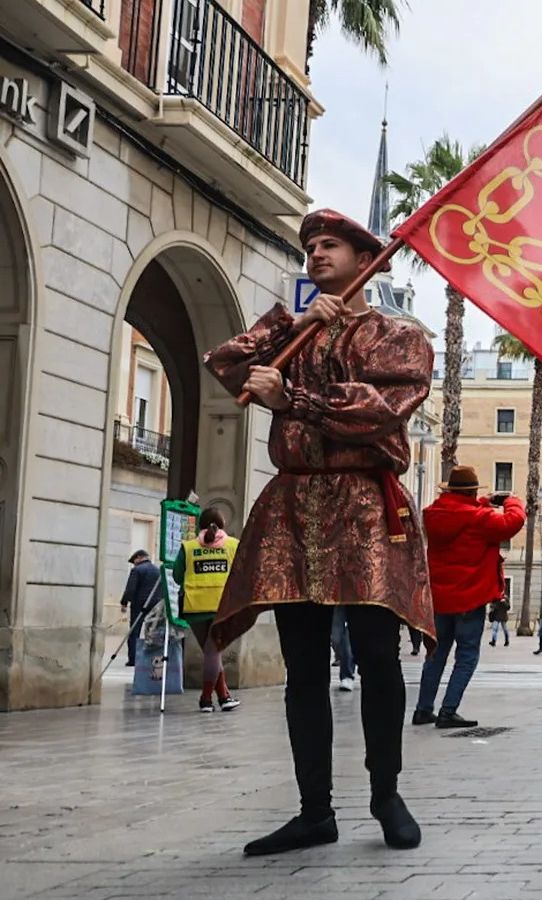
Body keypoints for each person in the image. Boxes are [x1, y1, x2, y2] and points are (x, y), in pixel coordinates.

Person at [203, 208, 433, 856]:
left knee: (378, 658)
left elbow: (380, 412)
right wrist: (296, 325)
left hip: (363, 505)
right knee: (303, 665)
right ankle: (314, 811)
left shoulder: (399, 337)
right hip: (294, 504)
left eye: (330, 245)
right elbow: (227, 365)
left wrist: (295, 400)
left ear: (365, 258)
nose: (316, 255)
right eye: (309, 248)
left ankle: (386, 794)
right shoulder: (294, 336)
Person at [413, 467, 527, 729]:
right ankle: (448, 711)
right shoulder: (480, 519)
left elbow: (462, 510)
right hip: (469, 598)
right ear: (473, 491)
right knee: (466, 656)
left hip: (440, 599)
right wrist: (512, 501)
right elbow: (513, 522)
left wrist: (486, 502)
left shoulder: (434, 514)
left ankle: (423, 709)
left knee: (436, 653)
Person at [174, 508, 241, 713]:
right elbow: (241, 574)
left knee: (211, 653)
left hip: (195, 608)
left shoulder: (188, 547)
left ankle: (224, 697)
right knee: (213, 652)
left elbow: (177, 576)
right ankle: (205, 699)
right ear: (221, 523)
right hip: (221, 607)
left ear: (200, 525)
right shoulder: (232, 545)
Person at [119, 550, 162, 667]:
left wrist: (124, 603)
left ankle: (133, 659)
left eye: (134, 561)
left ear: (138, 558)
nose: (134, 564)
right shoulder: (157, 570)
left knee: (134, 632)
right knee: (153, 632)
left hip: (139, 604)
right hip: (155, 605)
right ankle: (152, 658)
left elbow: (130, 589)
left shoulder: (137, 570)